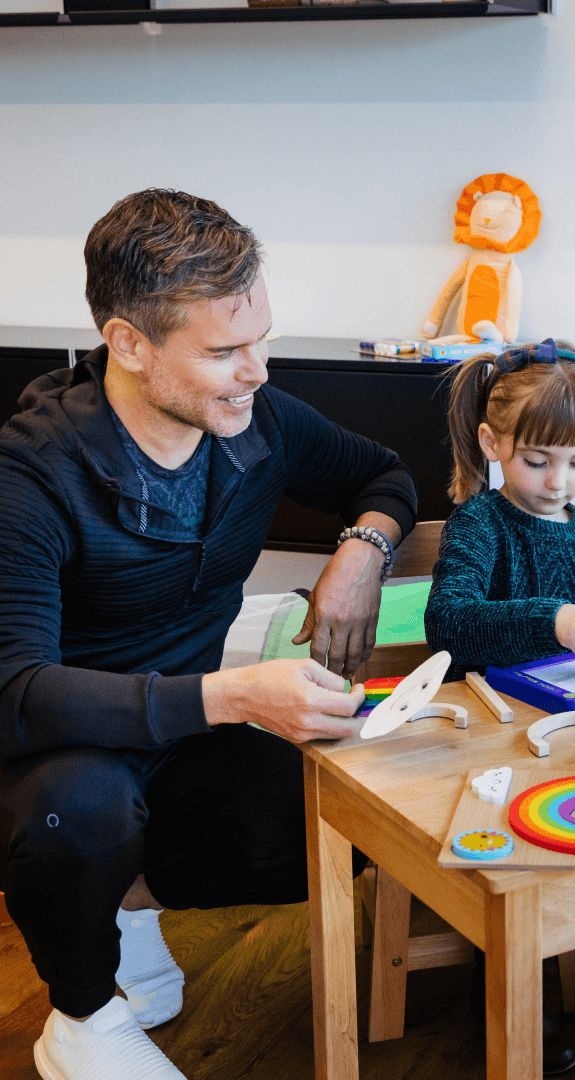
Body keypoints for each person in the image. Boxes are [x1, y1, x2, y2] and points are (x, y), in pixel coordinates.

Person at [0, 189, 418, 1080]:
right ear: (128, 344)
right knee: (81, 813)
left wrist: (361, 551)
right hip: (53, 751)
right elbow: (15, 693)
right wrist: (231, 696)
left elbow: (383, 475)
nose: (258, 371)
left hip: (182, 735)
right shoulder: (30, 476)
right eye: (226, 351)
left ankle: (118, 906)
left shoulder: (255, 422)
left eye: (262, 338)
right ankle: (79, 1018)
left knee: (352, 821)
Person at [424, 338, 575, 1074]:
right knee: (515, 843)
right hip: (492, 732)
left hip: (572, 727)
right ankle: (510, 983)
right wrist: (551, 618)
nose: (560, 481)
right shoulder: (478, 524)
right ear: (493, 444)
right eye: (538, 461)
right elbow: (450, 622)